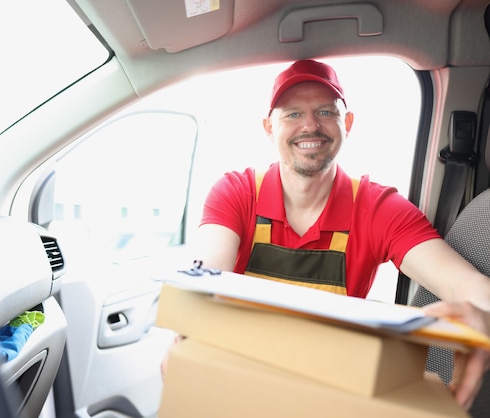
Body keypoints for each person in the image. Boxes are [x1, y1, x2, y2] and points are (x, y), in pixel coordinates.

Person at [182, 59, 490, 406]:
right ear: (269, 127)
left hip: (325, 393)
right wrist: (185, 331)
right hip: (238, 382)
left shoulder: (377, 208)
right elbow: (206, 273)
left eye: (326, 112)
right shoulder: (236, 192)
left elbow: (464, 283)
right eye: (293, 114)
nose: (311, 125)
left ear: (348, 122)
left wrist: (482, 316)